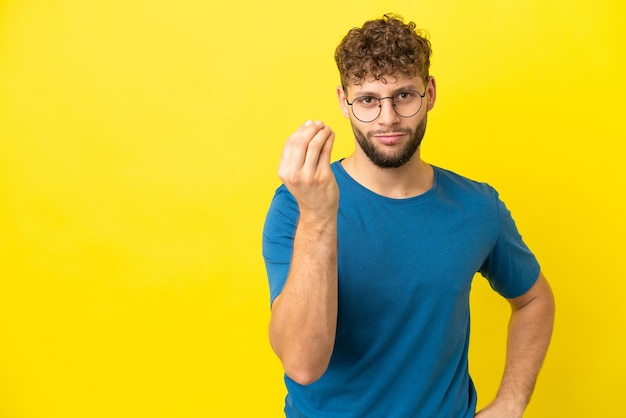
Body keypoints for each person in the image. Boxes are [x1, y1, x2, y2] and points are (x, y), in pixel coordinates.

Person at [262, 14, 555, 418]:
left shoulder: (477, 206)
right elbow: (302, 363)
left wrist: (511, 401)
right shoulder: (296, 204)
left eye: (403, 95)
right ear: (344, 102)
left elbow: (534, 299)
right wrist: (318, 215)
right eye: (367, 100)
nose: (387, 118)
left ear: (429, 93)